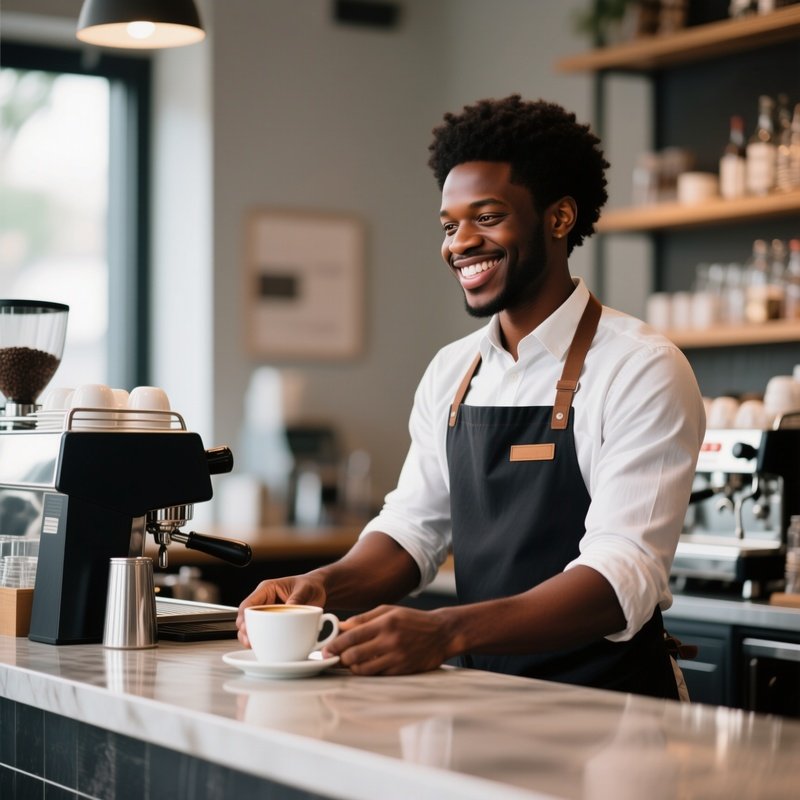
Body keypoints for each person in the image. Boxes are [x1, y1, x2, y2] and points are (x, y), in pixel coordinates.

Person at [237, 95, 705, 698]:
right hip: (487, 698)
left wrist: (445, 629)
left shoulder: (641, 368)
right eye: (449, 224)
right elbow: (413, 531)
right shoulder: (452, 371)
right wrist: (323, 584)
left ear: (559, 219)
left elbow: (623, 576)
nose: (460, 243)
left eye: (486, 218)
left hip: (614, 708)